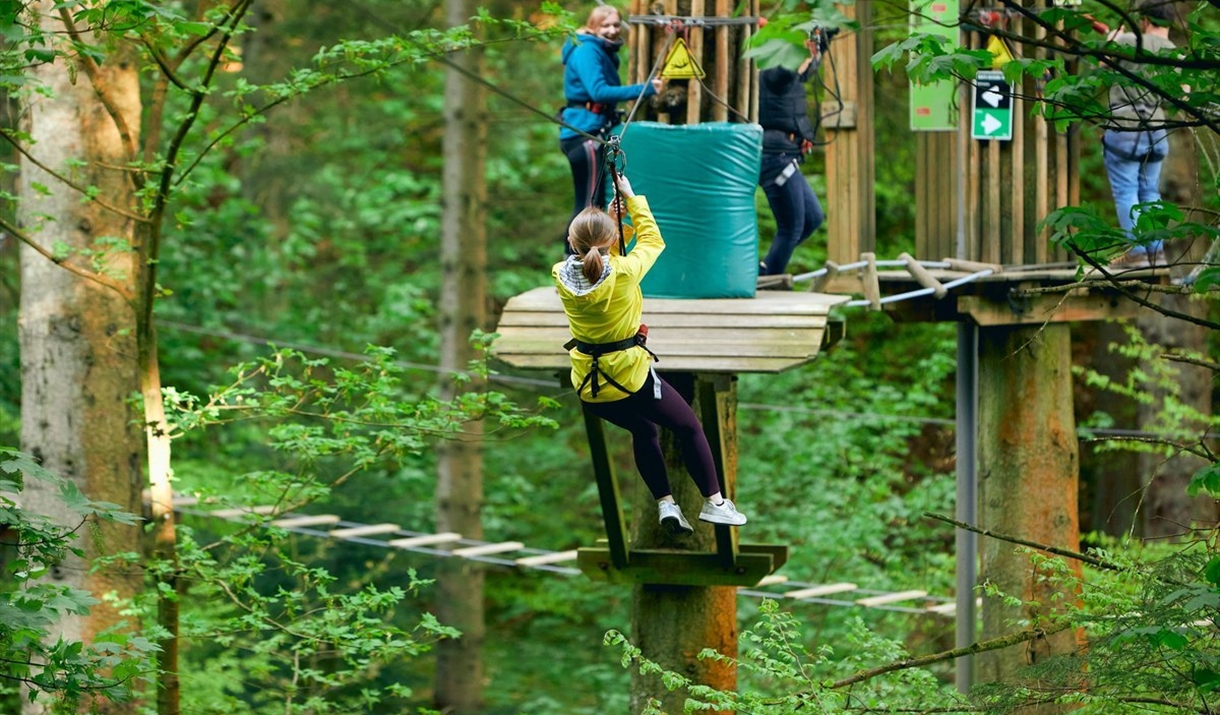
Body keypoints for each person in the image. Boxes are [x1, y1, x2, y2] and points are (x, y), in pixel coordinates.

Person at [554, 171, 748, 533]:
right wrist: (631, 199)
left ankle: (666, 504)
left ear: (570, 241)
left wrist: (609, 222)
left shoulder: (561, 274)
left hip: (590, 387)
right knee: (689, 427)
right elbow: (652, 240)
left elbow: (594, 259)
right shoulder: (624, 272)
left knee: (643, 431)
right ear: (612, 241)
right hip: (629, 377)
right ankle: (716, 503)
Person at [559, 5, 661, 255]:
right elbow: (598, 91)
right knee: (589, 204)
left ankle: (582, 259)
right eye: (605, 26)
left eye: (616, 24)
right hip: (585, 135)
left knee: (592, 202)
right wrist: (646, 89)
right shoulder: (587, 50)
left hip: (591, 130)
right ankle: (575, 260)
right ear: (593, 26)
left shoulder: (598, 50)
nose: (613, 30)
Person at [1101, 0, 1178, 269]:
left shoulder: (1127, 41)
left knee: (1126, 191)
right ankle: (1156, 253)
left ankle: (1136, 252)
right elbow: (1181, 95)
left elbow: (1102, 64)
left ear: (1144, 19)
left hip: (1125, 129)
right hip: (1157, 131)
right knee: (1150, 192)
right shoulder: (1175, 54)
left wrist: (1111, 38)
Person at [757, 37, 826, 276]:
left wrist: (823, 40)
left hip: (786, 155)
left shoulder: (788, 75)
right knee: (791, 226)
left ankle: (767, 268)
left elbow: (805, 70)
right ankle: (769, 278)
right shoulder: (772, 74)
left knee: (813, 218)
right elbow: (788, 72)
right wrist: (803, 50)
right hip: (775, 157)